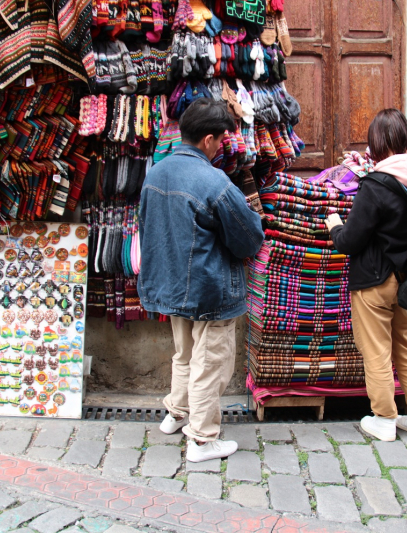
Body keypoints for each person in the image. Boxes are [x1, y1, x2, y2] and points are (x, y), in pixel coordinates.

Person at [138, 98, 265, 462]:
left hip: (172, 284)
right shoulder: (214, 181)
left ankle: (176, 414)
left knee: (186, 355)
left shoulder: (155, 173)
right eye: (221, 140)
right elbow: (249, 238)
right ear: (208, 140)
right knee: (211, 363)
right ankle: (203, 439)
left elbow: (147, 229)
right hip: (210, 288)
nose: (222, 146)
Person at [325, 109, 407, 442]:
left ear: (375, 145)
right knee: (404, 345)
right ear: (406, 139)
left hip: (375, 281)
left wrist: (335, 226)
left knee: (376, 350)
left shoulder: (376, 184)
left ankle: (385, 418)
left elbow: (350, 241)